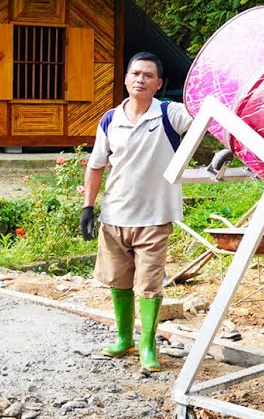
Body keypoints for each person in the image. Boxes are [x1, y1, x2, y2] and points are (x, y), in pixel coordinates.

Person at [80, 52, 193, 372]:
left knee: (148, 285)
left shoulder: (172, 115)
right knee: (118, 280)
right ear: (126, 79)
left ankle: (148, 345)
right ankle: (124, 338)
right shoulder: (110, 119)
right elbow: (96, 165)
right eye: (135, 74)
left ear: (158, 84)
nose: (140, 80)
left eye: (148, 76)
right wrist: (88, 207)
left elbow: (208, 118)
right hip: (115, 214)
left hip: (155, 217)